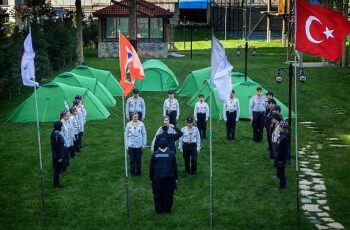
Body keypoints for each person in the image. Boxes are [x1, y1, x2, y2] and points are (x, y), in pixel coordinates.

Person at [150, 138, 178, 214]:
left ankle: (159, 210)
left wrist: (151, 178)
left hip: (157, 178)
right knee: (168, 194)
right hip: (169, 178)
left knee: (157, 194)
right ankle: (167, 209)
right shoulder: (171, 154)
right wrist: (176, 177)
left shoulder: (154, 154)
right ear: (167, 145)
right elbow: (175, 166)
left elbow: (151, 167)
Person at [125, 112, 147, 177]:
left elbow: (144, 134)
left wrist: (144, 144)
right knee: (132, 160)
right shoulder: (128, 124)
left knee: (138, 159)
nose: (136, 118)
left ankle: (138, 173)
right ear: (132, 117)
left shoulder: (141, 124)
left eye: (137, 117)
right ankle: (132, 173)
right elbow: (126, 135)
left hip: (139, 144)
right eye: (135, 117)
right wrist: (126, 145)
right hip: (131, 144)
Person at [275, 122, 290, 189]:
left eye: (279, 127)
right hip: (279, 157)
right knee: (279, 172)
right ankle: (282, 184)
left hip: (281, 158)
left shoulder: (284, 138)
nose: (278, 128)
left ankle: (282, 185)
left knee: (281, 173)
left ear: (283, 128)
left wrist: (280, 160)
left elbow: (282, 150)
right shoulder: (282, 135)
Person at [51, 121, 65, 188]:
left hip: (59, 154)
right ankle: (56, 184)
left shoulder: (55, 133)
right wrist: (59, 157)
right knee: (57, 170)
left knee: (58, 170)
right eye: (62, 126)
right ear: (58, 127)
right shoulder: (56, 136)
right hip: (58, 156)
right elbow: (57, 148)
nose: (63, 127)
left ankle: (57, 182)